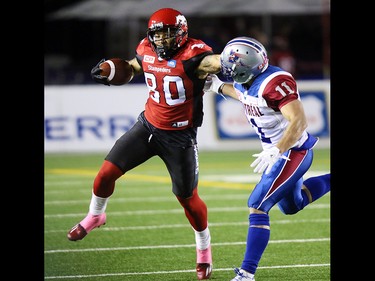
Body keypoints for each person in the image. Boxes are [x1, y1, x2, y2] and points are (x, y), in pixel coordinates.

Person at [67, 8, 221, 280]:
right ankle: (95, 215)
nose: (162, 40)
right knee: (105, 173)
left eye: (168, 33)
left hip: (180, 137)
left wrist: (235, 60)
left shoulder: (196, 55)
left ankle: (204, 250)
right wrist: (113, 70)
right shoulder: (145, 48)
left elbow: (216, 63)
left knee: (187, 199)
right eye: (157, 34)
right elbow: (135, 66)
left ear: (182, 33)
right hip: (147, 127)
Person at [204, 36, 330, 281]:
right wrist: (218, 86)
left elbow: (299, 121)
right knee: (293, 205)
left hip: (292, 151)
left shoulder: (275, 82)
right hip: (282, 152)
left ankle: (246, 273)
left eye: (232, 67)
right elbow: (244, 95)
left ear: (246, 68)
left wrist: (277, 149)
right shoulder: (249, 78)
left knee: (258, 205)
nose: (228, 70)